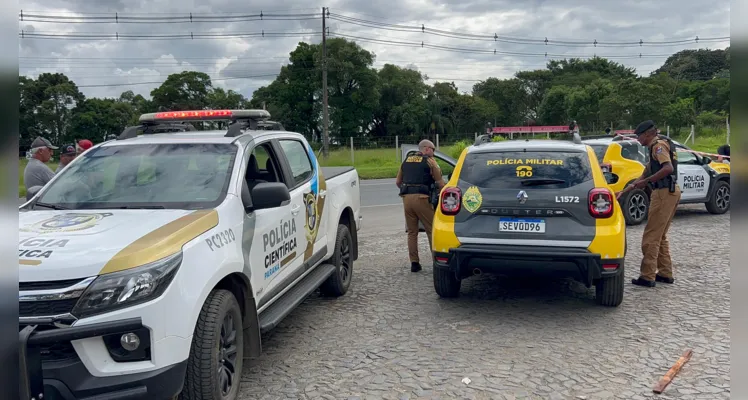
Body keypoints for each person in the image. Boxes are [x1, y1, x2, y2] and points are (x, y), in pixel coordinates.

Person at [616, 120, 681, 287]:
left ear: (647, 134)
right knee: (661, 236)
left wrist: (649, 181)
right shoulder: (658, 147)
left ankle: (647, 276)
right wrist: (627, 189)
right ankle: (665, 273)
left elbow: (667, 168)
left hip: (663, 193)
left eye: (639, 136)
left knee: (650, 237)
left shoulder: (658, 147)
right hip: (670, 191)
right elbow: (645, 173)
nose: (638, 139)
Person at [396, 139, 445, 272]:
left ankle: (414, 263)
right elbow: (440, 183)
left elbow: (398, 182)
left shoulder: (406, 161)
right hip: (423, 199)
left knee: (412, 232)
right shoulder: (430, 161)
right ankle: (437, 262)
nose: (433, 153)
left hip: (406, 199)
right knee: (431, 230)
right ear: (427, 149)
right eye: (433, 150)